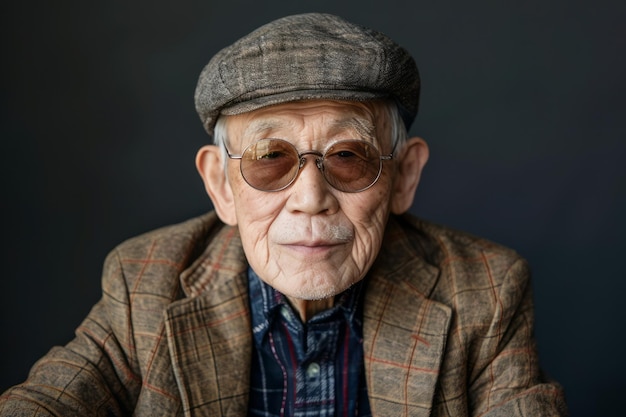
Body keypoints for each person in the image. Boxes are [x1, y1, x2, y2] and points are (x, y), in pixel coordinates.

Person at [0, 12, 567, 417]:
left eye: (348, 157)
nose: (310, 197)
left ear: (404, 177)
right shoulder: (145, 280)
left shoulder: (486, 289)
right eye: (272, 159)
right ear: (220, 185)